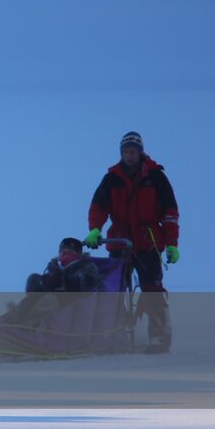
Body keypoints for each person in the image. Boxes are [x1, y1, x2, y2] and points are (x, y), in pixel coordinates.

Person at [85, 131, 180, 351]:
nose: (129, 155)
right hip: (119, 241)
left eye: (133, 151)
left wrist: (172, 243)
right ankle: (115, 333)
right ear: (122, 153)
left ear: (140, 152)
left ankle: (159, 335)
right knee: (115, 290)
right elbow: (98, 207)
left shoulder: (156, 177)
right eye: (126, 152)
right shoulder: (112, 178)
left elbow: (170, 212)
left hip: (147, 241)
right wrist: (95, 230)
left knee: (151, 288)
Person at [25, 237, 101, 294]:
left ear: (79, 254)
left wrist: (61, 280)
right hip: (48, 305)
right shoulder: (54, 269)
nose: (65, 254)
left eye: (70, 251)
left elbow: (88, 285)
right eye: (63, 251)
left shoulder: (87, 266)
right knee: (34, 280)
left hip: (73, 305)